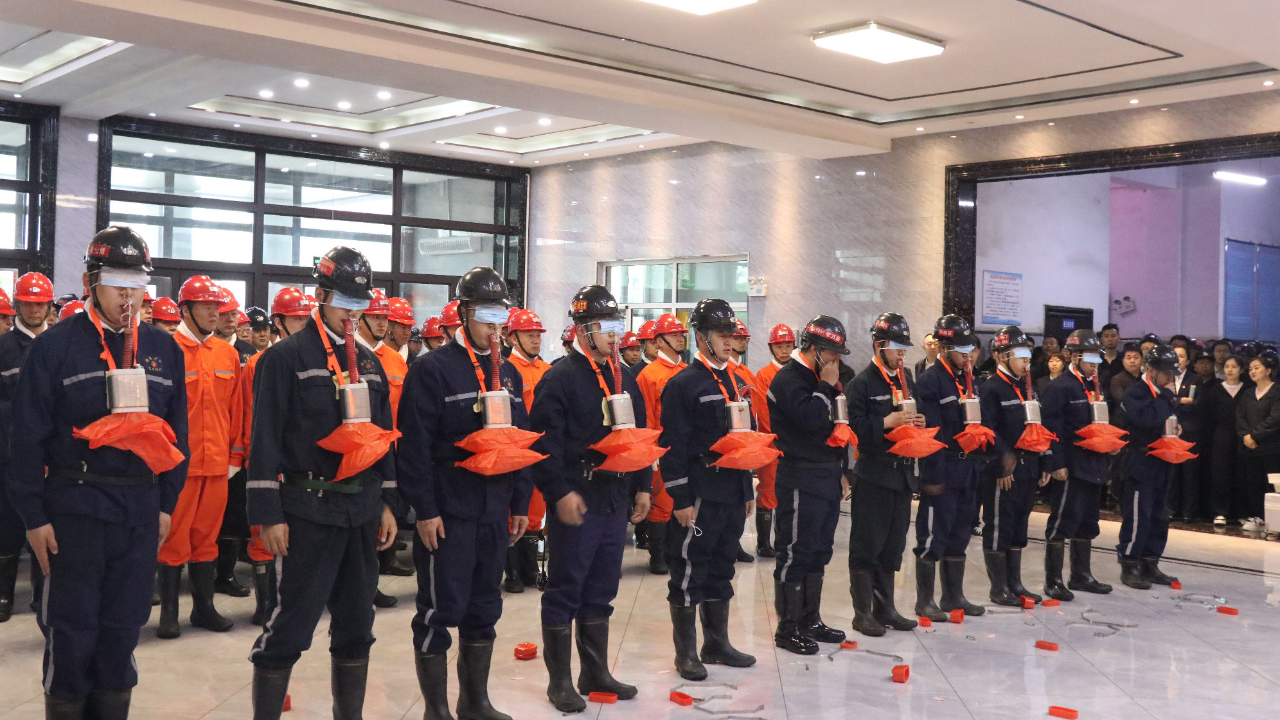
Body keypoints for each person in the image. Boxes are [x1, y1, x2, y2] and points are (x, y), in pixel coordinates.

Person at [9, 227, 189, 717]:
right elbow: (25, 439)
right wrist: (33, 516)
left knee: (122, 633)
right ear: (91, 282)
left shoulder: (164, 349)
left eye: (137, 282)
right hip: (75, 509)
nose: (128, 294)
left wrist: (166, 504)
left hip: (140, 510)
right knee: (72, 633)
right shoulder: (56, 347)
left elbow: (178, 437)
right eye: (116, 282)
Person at [246, 247, 400, 720]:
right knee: (291, 625)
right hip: (307, 510)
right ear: (321, 295)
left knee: (357, 624)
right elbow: (264, 438)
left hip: (361, 510)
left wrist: (388, 502)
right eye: (345, 303)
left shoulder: (369, 363)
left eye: (360, 305)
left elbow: (383, 437)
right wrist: (268, 514)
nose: (353, 314)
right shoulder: (285, 357)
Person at [396, 267, 532, 720]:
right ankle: (436, 710)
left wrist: (519, 503)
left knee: (485, 608)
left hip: (495, 509)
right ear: (464, 312)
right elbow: (414, 447)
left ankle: (475, 702)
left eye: (501, 315)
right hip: (449, 511)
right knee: (439, 609)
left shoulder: (508, 374)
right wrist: (425, 510)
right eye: (486, 314)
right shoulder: (432, 369)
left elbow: (518, 441)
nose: (495, 325)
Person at [528, 285, 651, 713]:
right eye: (606, 326)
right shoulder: (560, 378)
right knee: (566, 588)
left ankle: (594, 672)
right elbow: (543, 445)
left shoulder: (625, 377)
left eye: (618, 324)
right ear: (582, 329)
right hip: (578, 498)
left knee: (602, 588)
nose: (616, 333)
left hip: (615, 496)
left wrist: (643, 484)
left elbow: (636, 435)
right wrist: (559, 492)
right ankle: (560, 681)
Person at [659, 298, 758, 679]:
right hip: (700, 491)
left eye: (732, 334)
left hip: (732, 489)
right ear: (701, 338)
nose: (729, 341)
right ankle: (685, 654)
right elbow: (673, 446)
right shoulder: (683, 384)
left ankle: (716, 644)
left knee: (722, 567)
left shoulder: (735, 380)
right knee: (689, 570)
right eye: (721, 335)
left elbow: (743, 438)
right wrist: (680, 498)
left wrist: (747, 488)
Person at [155, 275, 244, 639]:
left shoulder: (228, 354)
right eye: (206, 306)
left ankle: (203, 608)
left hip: (218, 463)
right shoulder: (166, 350)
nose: (214, 313)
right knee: (174, 538)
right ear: (185, 310)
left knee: (207, 537)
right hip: (179, 466)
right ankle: (169, 613)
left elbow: (238, 409)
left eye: (216, 306)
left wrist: (236, 454)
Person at [766, 316, 850, 655]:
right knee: (795, 552)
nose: (836, 361)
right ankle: (787, 629)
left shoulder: (819, 378)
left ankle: (809, 620)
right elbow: (811, 420)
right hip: (800, 476)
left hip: (826, 475)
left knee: (819, 551)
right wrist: (827, 386)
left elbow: (837, 429)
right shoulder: (789, 379)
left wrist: (841, 470)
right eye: (831, 354)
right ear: (814, 350)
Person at [844, 312, 923, 637]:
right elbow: (852, 429)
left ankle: (885, 608)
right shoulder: (861, 384)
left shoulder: (906, 382)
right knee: (868, 545)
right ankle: (862, 613)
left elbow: (915, 415)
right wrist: (885, 423)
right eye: (897, 346)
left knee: (893, 545)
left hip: (902, 476)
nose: (903, 352)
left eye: (905, 347)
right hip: (874, 475)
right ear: (879, 346)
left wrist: (919, 423)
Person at [912, 315, 986, 623]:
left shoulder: (969, 379)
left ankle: (953, 595)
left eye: (970, 349)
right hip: (942, 469)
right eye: (961, 349)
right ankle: (925, 600)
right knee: (933, 536)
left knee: (960, 534)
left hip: (968, 470)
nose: (968, 355)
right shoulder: (930, 381)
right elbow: (931, 433)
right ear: (944, 348)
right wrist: (932, 475)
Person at [1040, 330, 1114, 601]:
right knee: (1063, 520)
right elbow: (1051, 428)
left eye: (1098, 359)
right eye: (1090, 359)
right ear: (1075, 357)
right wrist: (1056, 462)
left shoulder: (1095, 386)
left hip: (1094, 463)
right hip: (1071, 465)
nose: (1095, 365)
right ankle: (1053, 580)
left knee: (1088, 521)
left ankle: (1081, 575)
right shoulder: (1061, 387)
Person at [979, 326, 1048, 606]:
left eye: (1028, 357)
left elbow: (1039, 427)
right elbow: (987, 430)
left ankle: (1015, 583)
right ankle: (999, 588)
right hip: (1004, 469)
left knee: (1019, 524)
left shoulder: (1028, 388)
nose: (1025, 362)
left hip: (1028, 466)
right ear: (1001, 356)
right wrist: (1000, 465)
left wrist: (1044, 460)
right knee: (1000, 525)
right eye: (1020, 356)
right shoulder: (991, 388)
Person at [0, 274, 55, 623]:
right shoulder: (3, 347)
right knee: (7, 525)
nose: (35, 310)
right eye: (28, 303)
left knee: (47, 523)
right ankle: (4, 594)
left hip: (53, 458)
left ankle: (42, 590)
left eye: (40, 303)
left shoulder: (59, 343)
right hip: (9, 455)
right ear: (17, 305)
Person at [1115, 345, 1182, 588]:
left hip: (1162, 460)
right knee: (1138, 514)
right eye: (1167, 373)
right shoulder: (1136, 393)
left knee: (1159, 514)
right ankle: (1129, 563)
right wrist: (1166, 401)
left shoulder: (1164, 394)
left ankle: (1150, 562)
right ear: (1152, 371)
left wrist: (1175, 426)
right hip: (1139, 461)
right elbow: (1147, 419)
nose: (1170, 378)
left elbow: (1165, 418)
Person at [635, 312, 688, 575]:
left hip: (685, 449)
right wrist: (651, 453)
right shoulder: (649, 375)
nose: (680, 339)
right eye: (674, 335)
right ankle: (658, 556)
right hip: (662, 449)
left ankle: (676, 552)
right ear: (658, 342)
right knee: (663, 505)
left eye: (681, 335)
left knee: (683, 502)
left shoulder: (688, 372)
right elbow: (645, 415)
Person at [503, 308, 550, 594]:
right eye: (529, 334)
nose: (535, 340)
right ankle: (512, 572)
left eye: (538, 335)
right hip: (515, 449)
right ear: (512, 338)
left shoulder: (547, 370)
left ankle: (530, 568)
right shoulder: (506, 370)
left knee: (535, 509)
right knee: (514, 509)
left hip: (540, 449)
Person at [751, 323, 795, 558]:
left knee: (787, 495)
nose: (784, 350)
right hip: (772, 444)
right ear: (771, 348)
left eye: (788, 345)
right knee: (768, 491)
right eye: (779, 346)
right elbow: (763, 413)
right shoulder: (764, 375)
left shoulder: (800, 373)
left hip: (794, 446)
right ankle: (763, 543)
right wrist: (781, 437)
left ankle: (782, 540)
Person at [725, 318, 756, 563]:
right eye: (738, 338)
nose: (742, 342)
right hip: (726, 442)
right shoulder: (726, 372)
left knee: (741, 497)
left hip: (743, 437)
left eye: (744, 338)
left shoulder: (746, 373)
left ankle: (734, 543)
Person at [1237, 353, 1280, 532]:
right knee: (1253, 484)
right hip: (1250, 448)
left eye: (1257, 368)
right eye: (1250, 369)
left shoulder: (1276, 391)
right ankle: (1257, 518)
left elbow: (1275, 419)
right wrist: (1246, 436)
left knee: (1272, 485)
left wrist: (1255, 436)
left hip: (1271, 447)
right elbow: (1240, 417)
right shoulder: (1248, 393)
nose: (1253, 371)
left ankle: (1274, 522)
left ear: (1268, 371)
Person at [1206, 356, 1249, 527]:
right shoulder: (1216, 390)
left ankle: (1242, 512)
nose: (1230, 370)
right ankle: (1220, 512)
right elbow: (1209, 416)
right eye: (1227, 366)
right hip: (1221, 435)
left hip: (1242, 435)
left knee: (1241, 474)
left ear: (1241, 370)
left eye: (1234, 367)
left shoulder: (1248, 389)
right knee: (1220, 474)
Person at [1168, 345, 1206, 521]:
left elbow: (1196, 404)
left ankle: (1189, 511)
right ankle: (1171, 508)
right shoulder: (1165, 377)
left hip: (1190, 430)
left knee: (1190, 473)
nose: (1178, 359)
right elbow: (1163, 400)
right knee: (1172, 472)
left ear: (1188, 360)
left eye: (1182, 356)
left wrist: (1175, 402)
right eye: (1175, 355)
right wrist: (1180, 400)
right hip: (1169, 429)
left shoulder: (1195, 379)